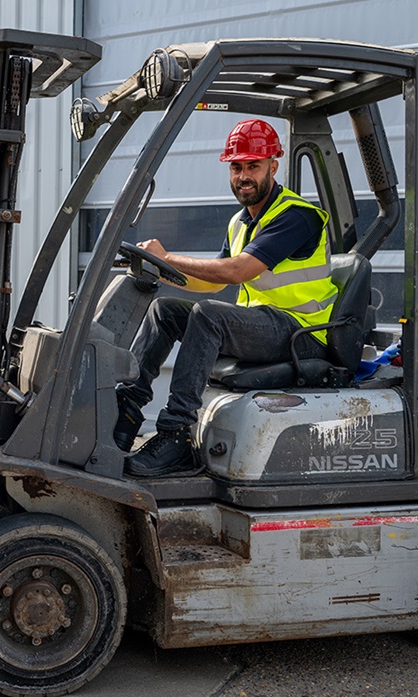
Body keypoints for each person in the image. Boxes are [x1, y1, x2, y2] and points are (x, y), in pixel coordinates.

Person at [116, 118, 338, 477]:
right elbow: (212, 283)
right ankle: (124, 413)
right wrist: (160, 267)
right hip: (265, 327)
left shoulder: (296, 216)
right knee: (165, 310)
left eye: (253, 166)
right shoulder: (240, 222)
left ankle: (175, 435)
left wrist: (168, 255)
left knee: (209, 316)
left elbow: (236, 272)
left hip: (301, 333)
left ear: (273, 166)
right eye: (236, 167)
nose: (243, 176)